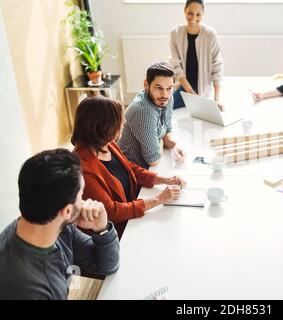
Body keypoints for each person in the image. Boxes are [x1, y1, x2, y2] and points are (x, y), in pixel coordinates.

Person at [0, 149, 120, 299]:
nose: (83, 201)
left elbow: (106, 266)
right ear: (67, 211)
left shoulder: (55, 226)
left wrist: (102, 229)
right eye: (81, 194)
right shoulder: (25, 288)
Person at [72, 96, 185, 237]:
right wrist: (158, 199)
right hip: (116, 233)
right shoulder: (82, 168)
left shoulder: (107, 144)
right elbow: (112, 212)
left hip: (132, 217)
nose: (124, 121)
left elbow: (129, 168)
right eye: (119, 119)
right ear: (103, 126)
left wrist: (164, 180)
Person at [119, 61, 185, 168]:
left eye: (169, 88)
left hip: (149, 168)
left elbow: (167, 131)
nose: (165, 94)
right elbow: (153, 159)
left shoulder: (167, 99)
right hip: (132, 171)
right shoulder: (143, 111)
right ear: (146, 85)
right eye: (159, 88)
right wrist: (161, 140)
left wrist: (175, 145)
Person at [169, 0, 224, 110]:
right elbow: (175, 65)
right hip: (185, 87)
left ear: (203, 14)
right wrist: (191, 93)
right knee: (165, 107)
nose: (193, 18)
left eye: (198, 14)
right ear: (184, 11)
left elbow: (217, 67)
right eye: (190, 13)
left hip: (203, 89)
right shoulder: (175, 33)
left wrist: (216, 100)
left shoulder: (210, 35)